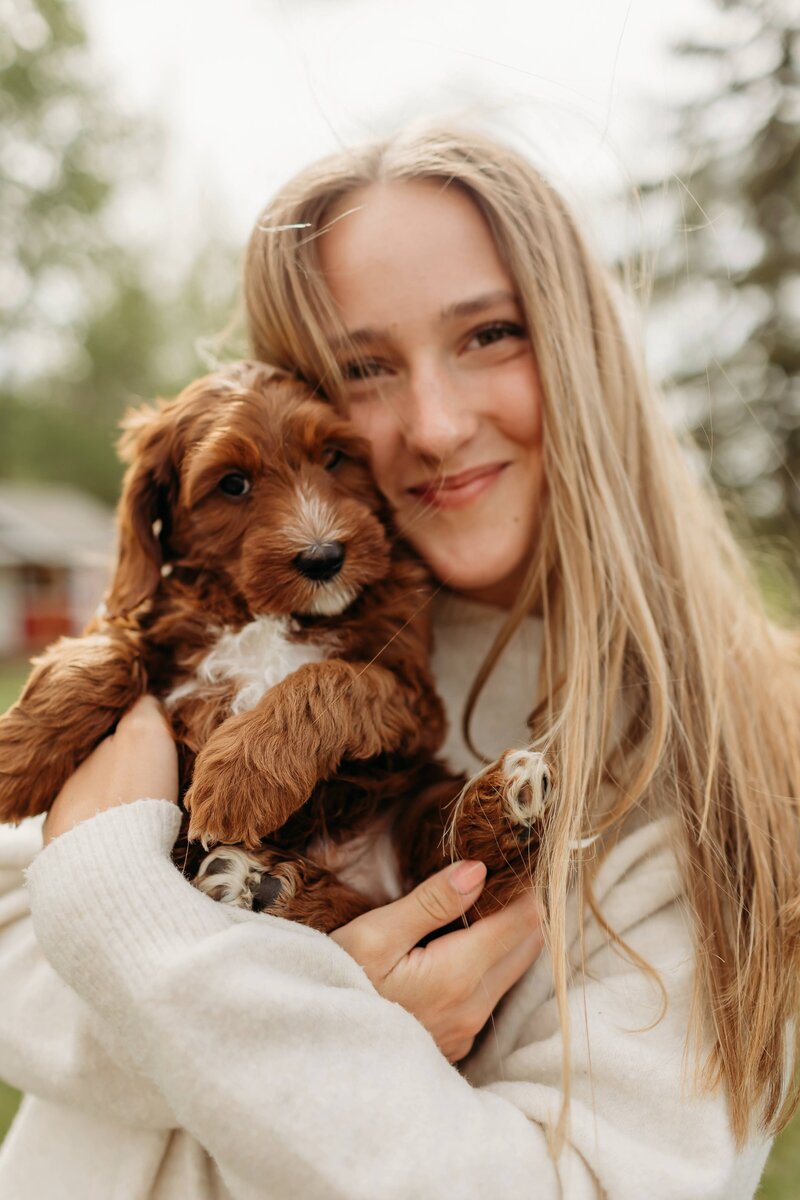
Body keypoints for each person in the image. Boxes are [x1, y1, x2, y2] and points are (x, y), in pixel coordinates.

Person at [1, 125, 798, 1200]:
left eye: (490, 335)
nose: (431, 423)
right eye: (362, 367)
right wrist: (329, 1003)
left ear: (585, 344)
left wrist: (114, 904)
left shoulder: (735, 752)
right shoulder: (210, 625)